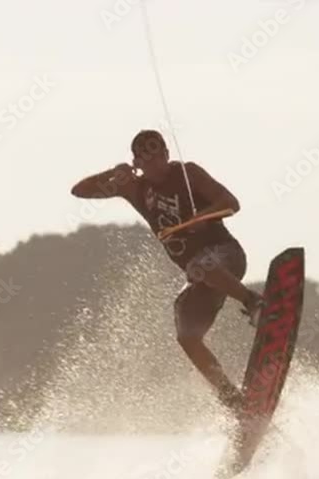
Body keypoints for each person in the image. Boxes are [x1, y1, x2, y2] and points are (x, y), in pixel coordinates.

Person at [70, 129, 263, 411]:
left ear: (167, 154)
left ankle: (255, 303)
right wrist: (111, 173)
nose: (157, 165)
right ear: (137, 163)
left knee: (200, 265)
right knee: (187, 336)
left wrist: (204, 216)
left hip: (227, 257)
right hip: (200, 277)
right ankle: (234, 402)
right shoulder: (133, 188)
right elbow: (79, 191)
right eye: (148, 161)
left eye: (161, 157)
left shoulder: (188, 174)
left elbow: (231, 203)